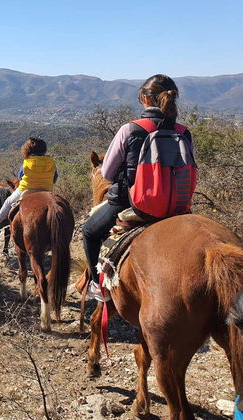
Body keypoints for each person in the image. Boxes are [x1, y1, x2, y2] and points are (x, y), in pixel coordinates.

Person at [83, 74, 194, 301]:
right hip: (177, 206)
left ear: (145, 99)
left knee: (89, 233)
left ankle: (98, 286)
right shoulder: (184, 132)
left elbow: (107, 173)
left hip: (132, 202)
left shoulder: (130, 129)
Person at [0, 137, 57, 231]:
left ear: (29, 149)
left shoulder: (27, 161)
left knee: (8, 201)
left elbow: (20, 177)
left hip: (26, 189)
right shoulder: (51, 162)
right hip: (46, 189)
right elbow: (55, 177)